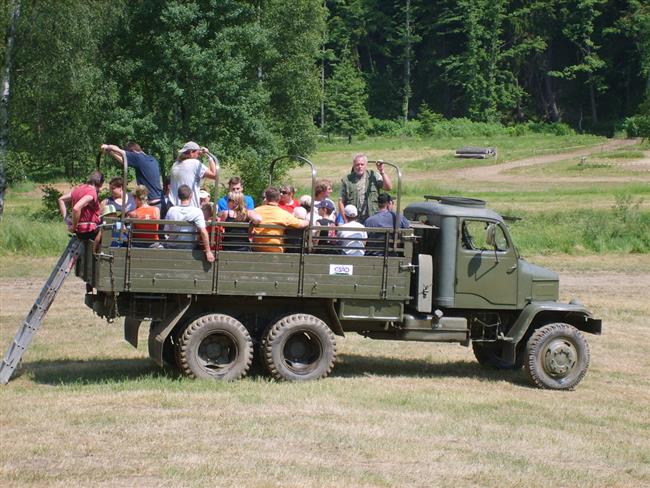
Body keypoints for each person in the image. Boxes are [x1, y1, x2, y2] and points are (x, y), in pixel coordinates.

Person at [164, 184, 215, 263]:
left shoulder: (171, 210)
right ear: (191, 196)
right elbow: (203, 231)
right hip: (190, 247)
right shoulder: (197, 211)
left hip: (172, 246)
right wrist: (208, 251)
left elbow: (166, 231)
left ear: (178, 196)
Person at [339, 154, 392, 223]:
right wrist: (346, 221)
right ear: (354, 166)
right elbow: (341, 202)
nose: (359, 167)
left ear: (366, 165)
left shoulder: (373, 176)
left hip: (372, 218)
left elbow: (388, 187)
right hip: (354, 220)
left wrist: (382, 171)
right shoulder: (347, 180)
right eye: (357, 165)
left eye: (362, 164)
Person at [253, 187, 309, 253]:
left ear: (266, 198)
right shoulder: (283, 214)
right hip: (276, 250)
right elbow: (300, 224)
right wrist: (307, 221)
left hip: (258, 249)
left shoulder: (255, 211)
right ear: (279, 198)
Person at [169, 141, 218, 208]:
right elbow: (214, 175)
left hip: (173, 207)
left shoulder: (175, 165)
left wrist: (198, 151)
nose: (198, 156)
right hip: (189, 208)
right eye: (197, 154)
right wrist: (208, 156)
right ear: (191, 152)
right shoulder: (194, 163)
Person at [58, 170, 104, 240]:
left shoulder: (78, 189)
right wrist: (73, 227)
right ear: (101, 184)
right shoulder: (92, 192)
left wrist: (66, 219)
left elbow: (61, 199)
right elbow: (76, 208)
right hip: (89, 231)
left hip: (79, 232)